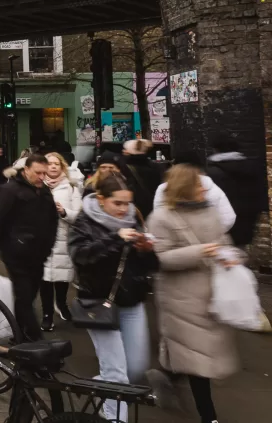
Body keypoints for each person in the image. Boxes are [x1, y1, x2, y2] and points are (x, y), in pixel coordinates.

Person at [147, 164, 239, 423]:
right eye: (198, 185)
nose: (203, 189)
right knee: (198, 360)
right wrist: (201, 252)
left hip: (210, 292)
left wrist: (231, 257)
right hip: (180, 296)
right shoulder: (162, 218)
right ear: (186, 188)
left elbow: (224, 243)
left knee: (196, 352)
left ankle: (168, 375)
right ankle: (209, 417)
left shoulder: (210, 212)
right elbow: (161, 257)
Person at [67, 173, 156, 423]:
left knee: (136, 368)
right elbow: (81, 256)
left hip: (132, 302)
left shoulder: (133, 219)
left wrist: (147, 252)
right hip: (98, 304)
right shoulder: (85, 222)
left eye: (127, 203)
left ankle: (100, 388)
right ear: (102, 199)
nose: (123, 209)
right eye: (117, 203)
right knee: (117, 375)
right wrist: (116, 239)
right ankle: (114, 418)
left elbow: (150, 266)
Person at [0, 153, 57, 342]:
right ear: (26, 170)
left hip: (39, 253)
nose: (42, 177)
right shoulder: (10, 190)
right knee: (25, 297)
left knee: (28, 296)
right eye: (38, 173)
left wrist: (49, 245)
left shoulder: (44, 191)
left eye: (44, 173)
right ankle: (37, 341)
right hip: (16, 253)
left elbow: (52, 221)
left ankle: (19, 334)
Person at [40, 153, 83, 331]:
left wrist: (63, 211)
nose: (53, 167)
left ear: (62, 166)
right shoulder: (37, 185)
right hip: (41, 240)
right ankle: (47, 314)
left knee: (62, 277)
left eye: (57, 164)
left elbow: (79, 216)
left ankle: (62, 304)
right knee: (45, 279)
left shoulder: (71, 187)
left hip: (63, 239)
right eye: (49, 164)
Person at [205, 134, 266, 247]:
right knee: (238, 253)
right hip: (247, 220)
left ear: (216, 149)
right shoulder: (252, 168)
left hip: (222, 223)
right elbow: (260, 195)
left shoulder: (212, 172)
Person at [120, 139, 163, 219]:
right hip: (152, 208)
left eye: (125, 149)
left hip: (133, 209)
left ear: (129, 152)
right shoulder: (156, 167)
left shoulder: (125, 168)